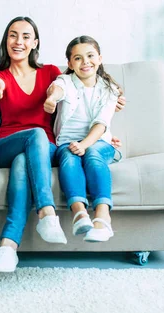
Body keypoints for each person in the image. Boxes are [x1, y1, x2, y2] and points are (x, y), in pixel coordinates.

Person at [0, 16, 67, 273]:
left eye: (25, 36)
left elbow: (69, 87)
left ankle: (8, 247)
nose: (18, 41)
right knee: (34, 136)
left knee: (24, 161)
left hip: (43, 149)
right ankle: (46, 210)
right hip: (5, 145)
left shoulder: (50, 72)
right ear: (6, 40)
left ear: (35, 43)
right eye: (12, 35)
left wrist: (55, 95)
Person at [48, 35, 121, 242]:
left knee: (93, 155)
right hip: (67, 142)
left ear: (99, 58)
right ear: (70, 64)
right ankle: (79, 213)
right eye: (78, 58)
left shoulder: (110, 90)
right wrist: (52, 98)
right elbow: (57, 89)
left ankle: (102, 215)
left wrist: (84, 144)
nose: (85, 62)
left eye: (90, 56)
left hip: (99, 143)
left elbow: (101, 123)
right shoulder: (66, 81)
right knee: (69, 158)